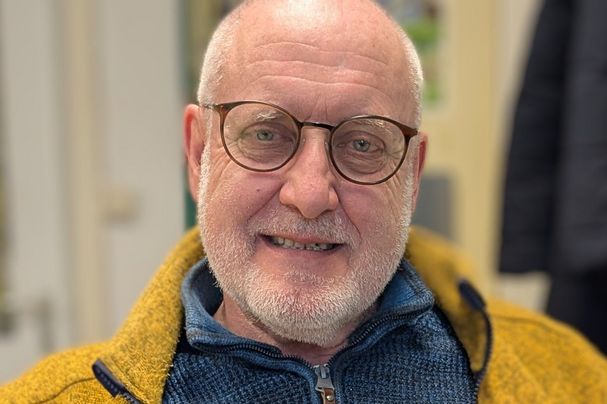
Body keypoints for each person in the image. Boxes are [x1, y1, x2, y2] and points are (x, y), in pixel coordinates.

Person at [2, 0, 606, 402]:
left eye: (363, 143)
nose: (312, 194)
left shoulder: (568, 376)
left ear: (412, 174)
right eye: (266, 134)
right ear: (199, 153)